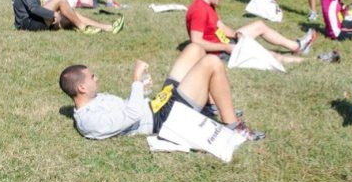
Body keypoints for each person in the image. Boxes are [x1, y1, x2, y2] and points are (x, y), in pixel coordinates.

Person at [58, 44, 264, 141]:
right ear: (81, 88)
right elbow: (132, 115)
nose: (97, 78)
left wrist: (142, 90)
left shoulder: (95, 99)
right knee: (211, 62)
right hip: (162, 118)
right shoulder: (90, 122)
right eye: (92, 77)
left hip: (157, 104)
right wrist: (136, 81)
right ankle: (233, 128)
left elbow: (129, 106)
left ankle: (208, 108)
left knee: (195, 49)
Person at [186, 0, 316, 63]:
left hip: (225, 43)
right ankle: (312, 61)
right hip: (219, 53)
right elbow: (196, 42)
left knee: (259, 25)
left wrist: (237, 35)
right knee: (270, 56)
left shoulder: (209, 5)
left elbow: (221, 26)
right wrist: (225, 47)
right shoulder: (199, 10)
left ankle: (297, 46)